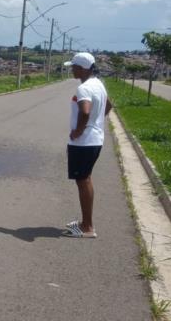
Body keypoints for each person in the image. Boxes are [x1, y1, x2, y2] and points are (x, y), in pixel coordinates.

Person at [63, 52, 112, 238]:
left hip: (84, 142)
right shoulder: (98, 84)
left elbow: (84, 112)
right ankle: (85, 222)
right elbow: (108, 106)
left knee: (83, 181)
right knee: (85, 179)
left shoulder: (84, 88)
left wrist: (78, 132)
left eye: (73, 66)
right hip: (95, 139)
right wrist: (97, 122)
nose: (71, 69)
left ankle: (87, 227)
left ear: (82, 68)